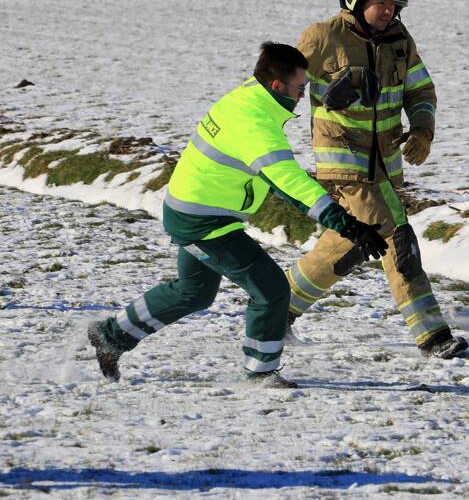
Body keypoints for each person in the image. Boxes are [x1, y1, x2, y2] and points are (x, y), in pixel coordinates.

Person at [87, 43, 387, 388]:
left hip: (193, 207)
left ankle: (111, 336)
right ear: (277, 86)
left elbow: (293, 85)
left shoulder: (249, 94)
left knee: (193, 292)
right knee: (272, 288)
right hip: (203, 221)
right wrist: (347, 224)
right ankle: (261, 372)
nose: (305, 95)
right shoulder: (255, 126)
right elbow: (288, 181)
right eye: (301, 88)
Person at [285, 0, 468, 359]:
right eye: (380, 3)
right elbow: (279, 86)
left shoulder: (401, 40)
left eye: (394, 5)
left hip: (386, 166)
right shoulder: (321, 38)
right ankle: (433, 336)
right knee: (396, 236)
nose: (387, 12)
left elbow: (421, 92)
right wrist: (325, 92)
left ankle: (275, 309)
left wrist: (422, 130)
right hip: (344, 165)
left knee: (346, 245)